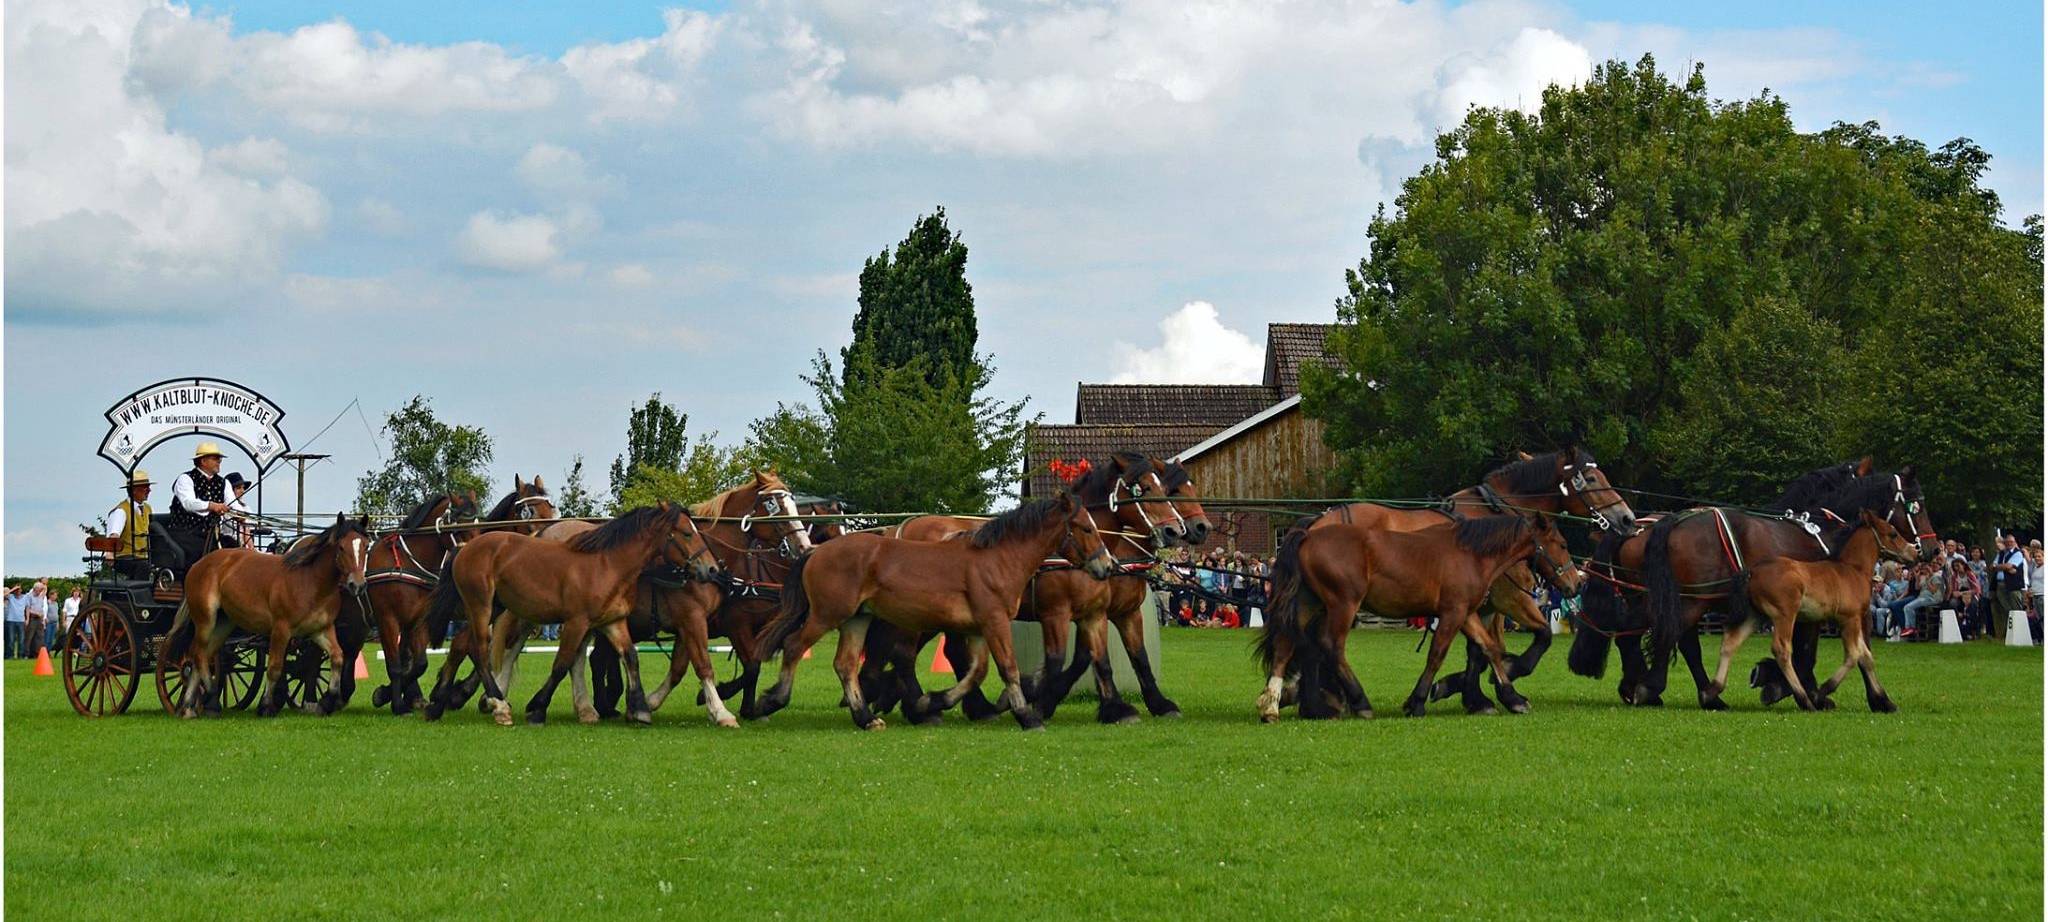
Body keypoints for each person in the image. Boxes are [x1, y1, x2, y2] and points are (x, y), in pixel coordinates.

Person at [167, 443, 234, 575]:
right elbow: (189, 503)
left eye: (219, 458)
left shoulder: (224, 483)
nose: (219, 461)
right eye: (215, 458)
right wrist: (211, 505)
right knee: (199, 553)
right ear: (203, 461)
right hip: (185, 532)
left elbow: (233, 505)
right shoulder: (185, 479)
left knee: (235, 549)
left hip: (210, 534)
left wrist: (244, 517)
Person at [1990, 533, 2030, 641]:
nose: (2009, 544)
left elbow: (2009, 566)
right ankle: (2009, 634)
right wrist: (2004, 568)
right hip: (2000, 584)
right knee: (2006, 609)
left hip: (2013, 586)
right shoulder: (2001, 553)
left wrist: (1999, 567)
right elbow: (1992, 566)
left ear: (2015, 542)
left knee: (2016, 609)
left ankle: (2021, 633)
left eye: (2011, 542)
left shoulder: (2018, 554)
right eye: (2007, 542)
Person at [218, 472, 253, 549]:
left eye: (243, 488)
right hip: (227, 544)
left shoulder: (246, 508)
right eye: (238, 488)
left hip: (244, 545)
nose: (242, 491)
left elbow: (248, 531)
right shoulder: (222, 508)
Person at [24, 582, 48, 658]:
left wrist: (42, 618)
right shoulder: (29, 596)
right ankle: (26, 654)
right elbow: (28, 608)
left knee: (39, 637)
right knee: (29, 637)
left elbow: (45, 588)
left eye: (41, 590)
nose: (40, 591)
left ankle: (37, 653)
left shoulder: (41, 596)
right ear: (35, 589)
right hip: (32, 618)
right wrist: (29, 618)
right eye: (39, 590)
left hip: (39, 619)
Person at [3, 586, 26, 659]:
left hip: (21, 620)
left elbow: (28, 607)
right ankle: (10, 655)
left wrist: (27, 618)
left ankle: (20, 655)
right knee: (11, 639)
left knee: (21, 640)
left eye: (19, 590)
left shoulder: (25, 597)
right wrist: (12, 589)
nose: (18, 591)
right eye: (16, 590)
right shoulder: (11, 597)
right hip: (11, 620)